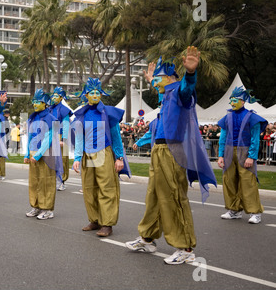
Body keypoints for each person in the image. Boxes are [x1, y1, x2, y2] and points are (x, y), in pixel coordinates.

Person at [125, 47, 216, 264]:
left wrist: (191, 73)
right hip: (159, 150)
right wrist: (152, 81)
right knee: (154, 195)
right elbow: (162, 91)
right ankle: (147, 238)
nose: (154, 84)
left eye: (157, 79)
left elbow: (187, 88)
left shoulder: (179, 92)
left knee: (174, 197)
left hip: (174, 151)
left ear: (169, 78)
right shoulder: (165, 95)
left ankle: (185, 248)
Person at [72, 78, 130, 237]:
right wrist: (77, 158)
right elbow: (79, 138)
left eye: (98, 92)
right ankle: (95, 220)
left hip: (104, 152)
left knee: (107, 188)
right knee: (89, 189)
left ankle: (107, 223)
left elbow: (116, 136)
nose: (95, 95)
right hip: (87, 154)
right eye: (92, 92)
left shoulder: (109, 113)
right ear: (86, 95)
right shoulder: (81, 115)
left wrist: (119, 157)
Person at [217, 86, 268, 224]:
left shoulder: (252, 117)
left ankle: (255, 212)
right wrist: (221, 156)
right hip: (228, 152)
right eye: (231, 100)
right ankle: (234, 210)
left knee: (248, 182)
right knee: (229, 181)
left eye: (235, 100)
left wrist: (251, 156)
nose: (232, 103)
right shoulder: (227, 117)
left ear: (243, 101)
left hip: (245, 152)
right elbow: (223, 137)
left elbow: (255, 139)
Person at [24, 89, 63, 220]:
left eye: (38, 102)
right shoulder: (32, 117)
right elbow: (29, 137)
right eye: (33, 102)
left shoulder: (52, 119)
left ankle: (47, 209)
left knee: (46, 181)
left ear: (45, 104)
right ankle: (36, 206)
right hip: (33, 153)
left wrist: (38, 155)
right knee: (34, 181)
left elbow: (49, 138)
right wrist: (26, 153)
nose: (34, 104)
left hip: (46, 153)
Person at [49, 86, 73, 191]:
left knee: (62, 159)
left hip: (61, 136)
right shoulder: (49, 109)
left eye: (56, 96)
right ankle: (54, 178)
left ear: (61, 97)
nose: (54, 97)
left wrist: (63, 139)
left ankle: (62, 180)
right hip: (51, 136)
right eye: (53, 95)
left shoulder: (64, 110)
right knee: (51, 158)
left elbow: (66, 125)